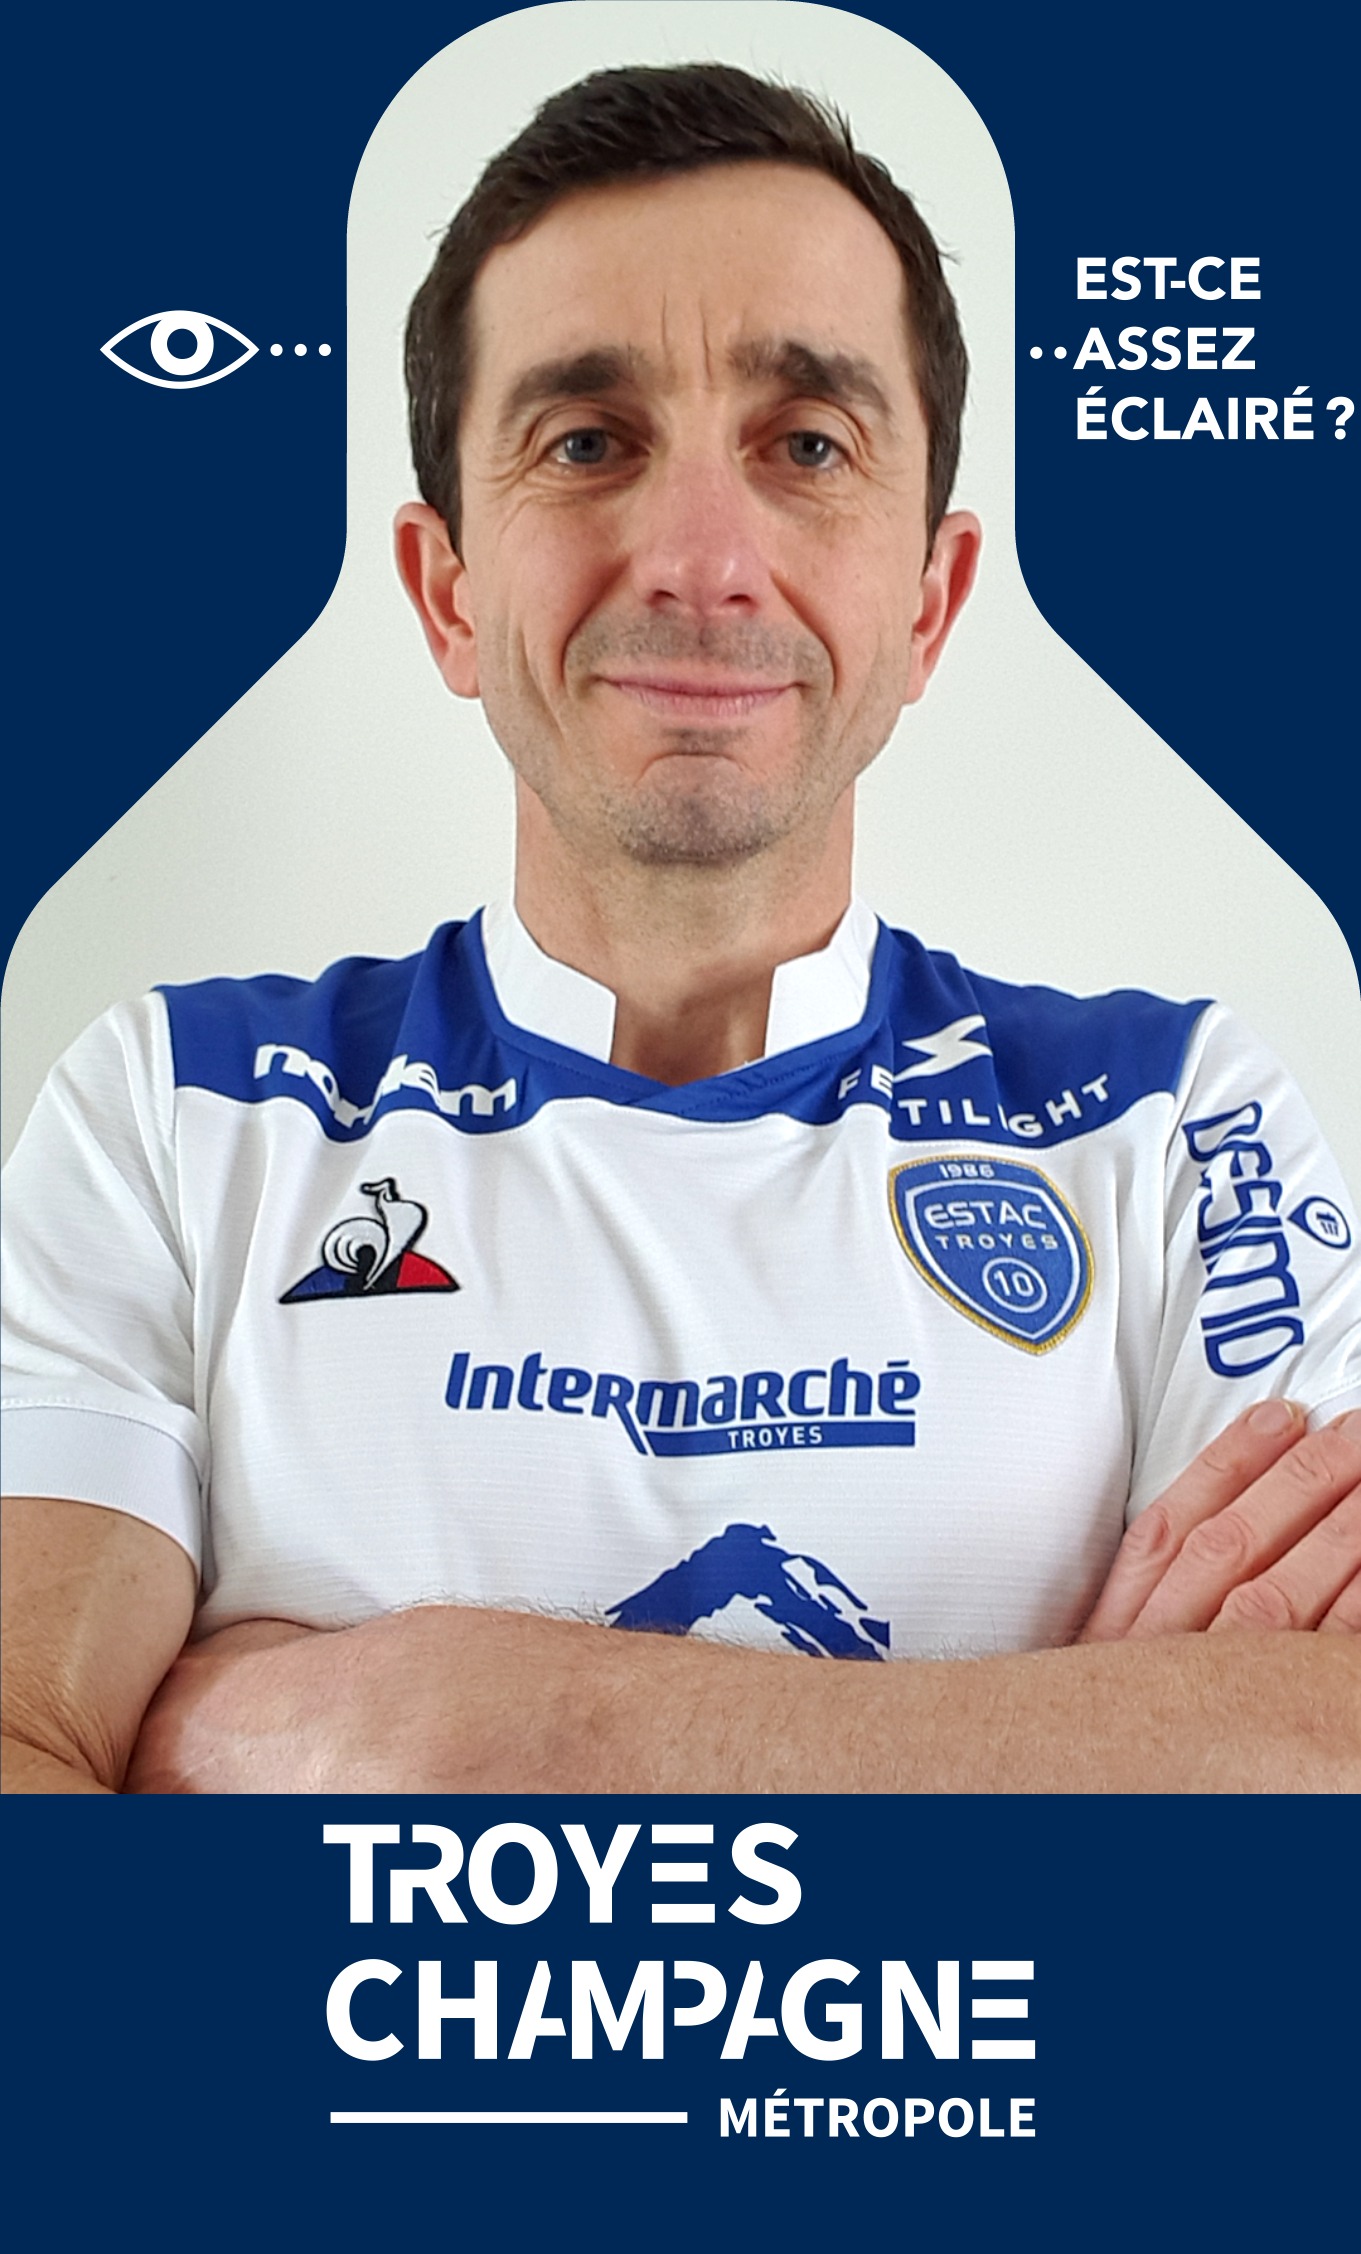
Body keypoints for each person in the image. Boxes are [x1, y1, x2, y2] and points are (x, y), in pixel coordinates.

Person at [3, 65, 1358, 1796]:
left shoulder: (1172, 1119)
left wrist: (465, 1721)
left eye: (806, 446)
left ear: (930, 601)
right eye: (587, 441)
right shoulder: (174, 1111)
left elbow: (1331, 1751)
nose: (699, 558)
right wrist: (1079, 1741)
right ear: (445, 592)